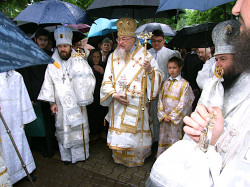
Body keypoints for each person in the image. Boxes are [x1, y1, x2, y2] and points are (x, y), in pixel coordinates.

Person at [147, 16, 250, 186]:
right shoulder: (214, 85)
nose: (218, 65)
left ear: (240, 60)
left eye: (223, 59)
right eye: (216, 59)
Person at [100, 17, 162, 167]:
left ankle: (136, 158)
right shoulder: (113, 56)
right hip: (118, 105)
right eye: (119, 38)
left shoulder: (145, 55)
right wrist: (113, 94)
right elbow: (106, 79)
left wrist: (149, 71)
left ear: (133, 39)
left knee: (135, 135)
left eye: (125, 39)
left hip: (137, 105)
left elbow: (158, 76)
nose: (120, 42)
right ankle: (119, 157)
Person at [38, 27, 96, 164]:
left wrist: (80, 88)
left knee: (77, 129)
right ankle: (66, 156)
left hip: (77, 103)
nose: (62, 49)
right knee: (63, 130)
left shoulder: (79, 61)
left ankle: (81, 155)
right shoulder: (52, 63)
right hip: (61, 104)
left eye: (65, 46)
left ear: (70, 46)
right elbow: (48, 83)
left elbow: (90, 79)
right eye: (60, 46)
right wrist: (51, 103)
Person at [17, 28, 56, 158]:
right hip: (36, 94)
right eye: (41, 39)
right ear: (35, 40)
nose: (43, 42)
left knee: (50, 122)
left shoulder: (51, 56)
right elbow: (26, 76)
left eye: (46, 40)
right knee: (38, 123)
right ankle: (40, 147)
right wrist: (30, 97)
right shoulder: (28, 55)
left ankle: (51, 148)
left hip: (50, 93)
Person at [0, 71, 36, 184]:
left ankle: (25, 171)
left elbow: (24, 96)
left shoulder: (17, 76)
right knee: (4, 148)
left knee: (20, 144)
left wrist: (24, 118)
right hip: (2, 120)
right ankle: (8, 176)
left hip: (16, 119)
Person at [156, 57, 194, 158]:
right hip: (165, 118)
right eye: (169, 68)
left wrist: (172, 116)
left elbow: (185, 103)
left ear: (180, 68)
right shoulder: (164, 83)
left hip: (176, 120)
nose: (171, 70)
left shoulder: (184, 84)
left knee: (175, 139)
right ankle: (162, 158)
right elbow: (160, 100)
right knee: (164, 138)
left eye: (174, 68)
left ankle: (174, 159)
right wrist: (163, 115)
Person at [148, 29, 176, 143]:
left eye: (159, 41)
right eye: (153, 41)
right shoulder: (146, 53)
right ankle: (152, 140)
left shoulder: (171, 54)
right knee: (151, 115)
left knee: (163, 116)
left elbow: (174, 73)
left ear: (164, 40)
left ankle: (163, 141)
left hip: (165, 90)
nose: (156, 44)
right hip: (150, 89)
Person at [87, 49, 108, 143]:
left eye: (98, 57)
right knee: (92, 114)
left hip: (101, 94)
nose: (96, 59)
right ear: (91, 57)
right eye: (94, 56)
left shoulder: (104, 66)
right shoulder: (87, 66)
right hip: (90, 94)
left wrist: (102, 72)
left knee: (102, 113)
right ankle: (94, 133)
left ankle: (103, 131)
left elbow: (108, 80)